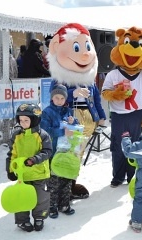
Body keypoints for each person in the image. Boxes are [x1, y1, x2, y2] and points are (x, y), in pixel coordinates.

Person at [47, 23, 106, 196]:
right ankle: (59, 185)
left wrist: (101, 117)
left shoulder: (89, 79)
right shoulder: (60, 79)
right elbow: (55, 97)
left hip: (87, 120)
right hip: (69, 119)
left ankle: (71, 183)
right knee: (64, 151)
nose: (85, 53)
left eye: (87, 47)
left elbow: (96, 100)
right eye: (76, 48)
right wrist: (74, 92)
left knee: (78, 153)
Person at [101, 26, 142, 188]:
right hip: (119, 115)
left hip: (137, 115)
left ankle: (133, 174)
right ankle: (118, 176)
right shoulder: (113, 75)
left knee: (136, 144)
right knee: (118, 145)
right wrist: (115, 94)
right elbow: (104, 93)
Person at [5, 103, 52, 232]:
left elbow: (47, 151)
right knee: (22, 198)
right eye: (20, 120)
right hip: (22, 174)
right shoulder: (16, 135)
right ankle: (22, 221)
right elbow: (12, 153)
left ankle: (39, 217)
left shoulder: (43, 135)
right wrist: (10, 170)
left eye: (26, 120)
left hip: (38, 173)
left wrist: (34, 159)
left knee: (40, 197)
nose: (23, 123)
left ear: (35, 119)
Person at [40, 84, 79, 219]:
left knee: (66, 178)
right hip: (54, 150)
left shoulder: (68, 111)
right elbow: (45, 130)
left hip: (67, 151)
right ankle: (52, 206)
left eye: (62, 98)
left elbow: (76, 126)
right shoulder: (47, 112)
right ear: (52, 98)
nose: (59, 100)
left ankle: (64, 203)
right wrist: (62, 131)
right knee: (54, 180)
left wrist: (73, 122)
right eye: (57, 97)